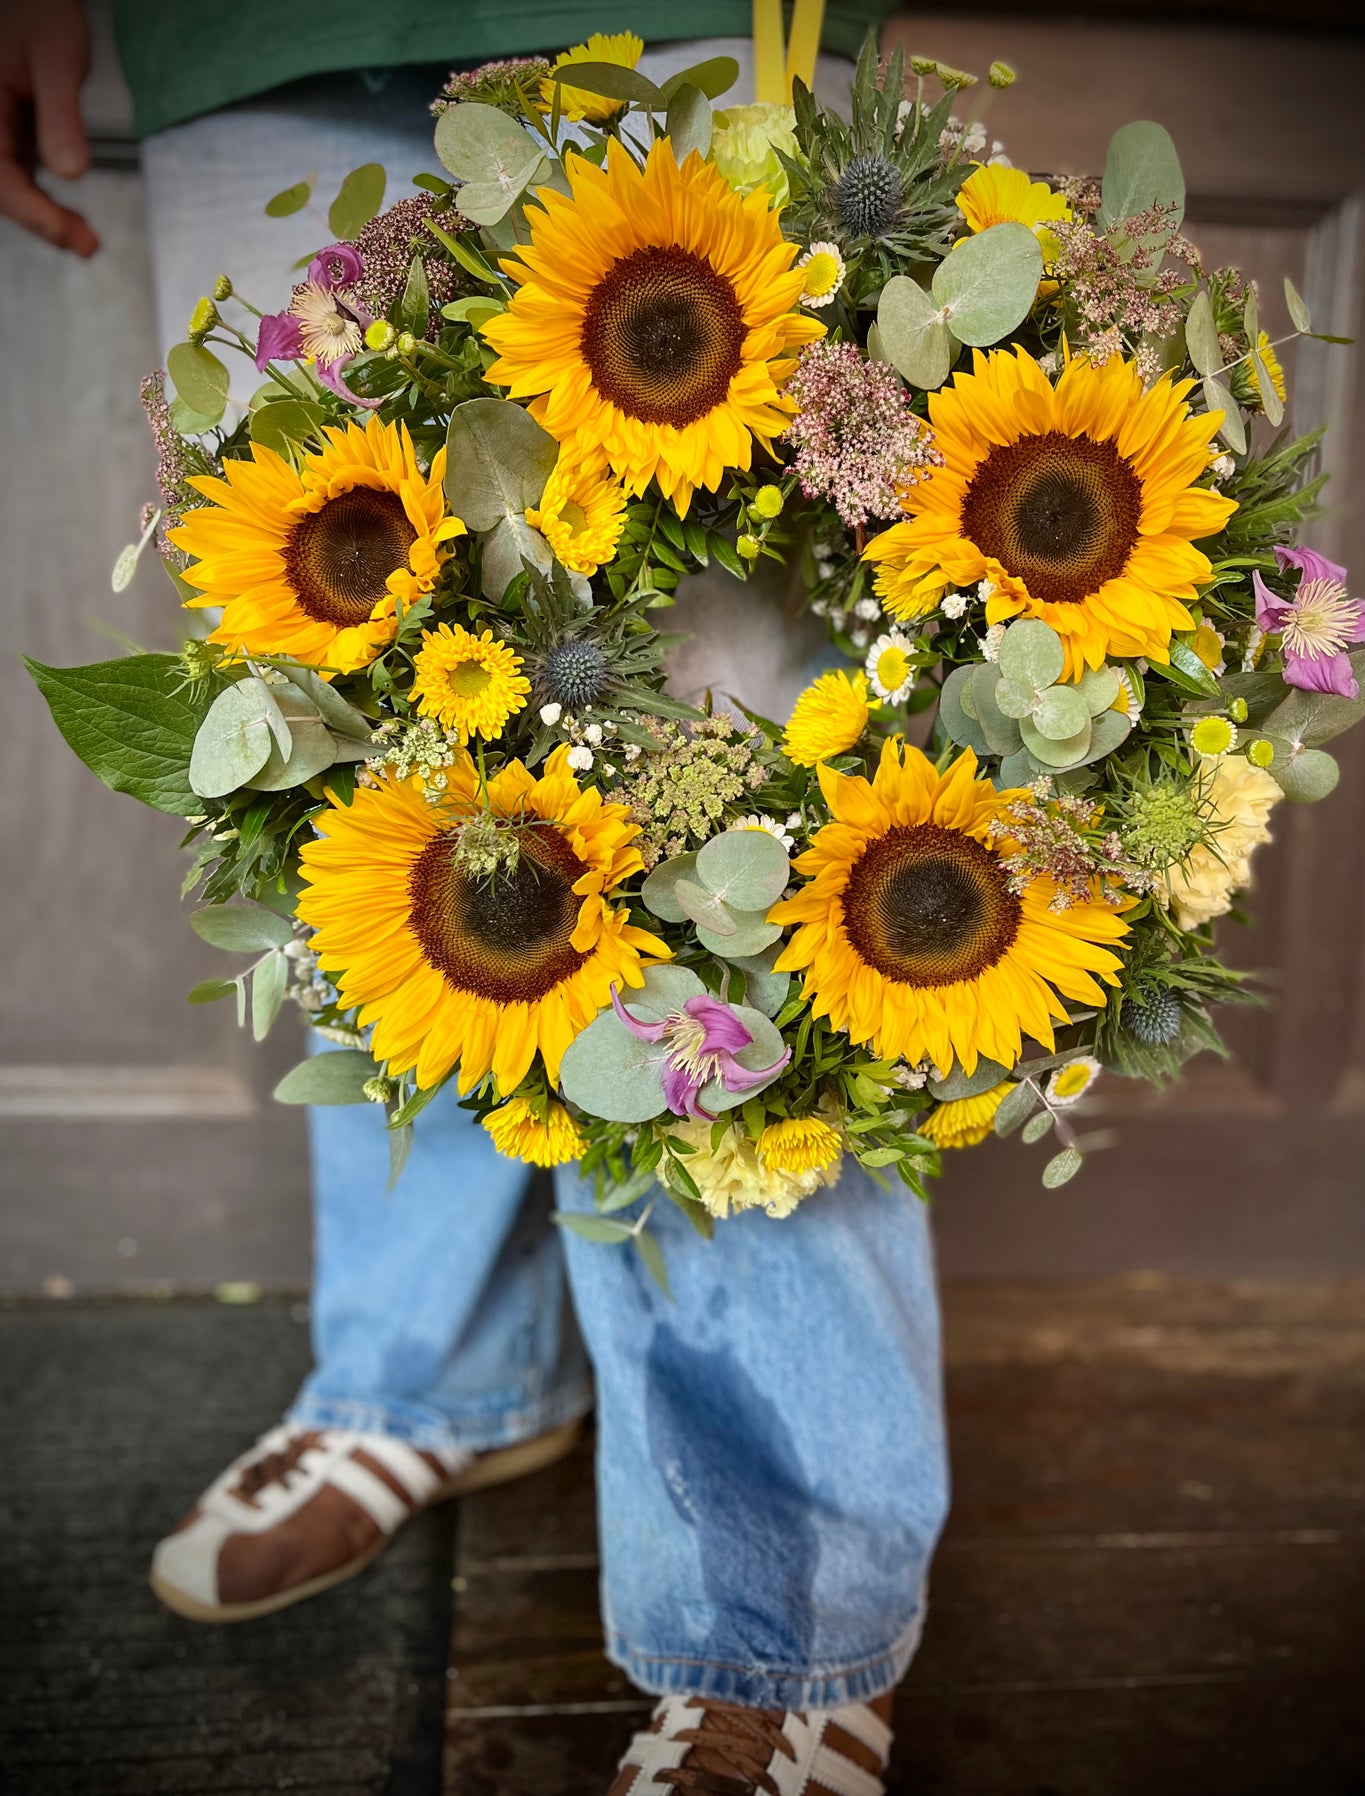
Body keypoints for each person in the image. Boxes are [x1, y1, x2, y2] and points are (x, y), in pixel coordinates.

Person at [1, 4, 949, 1787]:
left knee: (733, 815)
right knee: (361, 768)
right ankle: (430, 1378)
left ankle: (784, 1618)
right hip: (241, 37)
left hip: (656, 22)